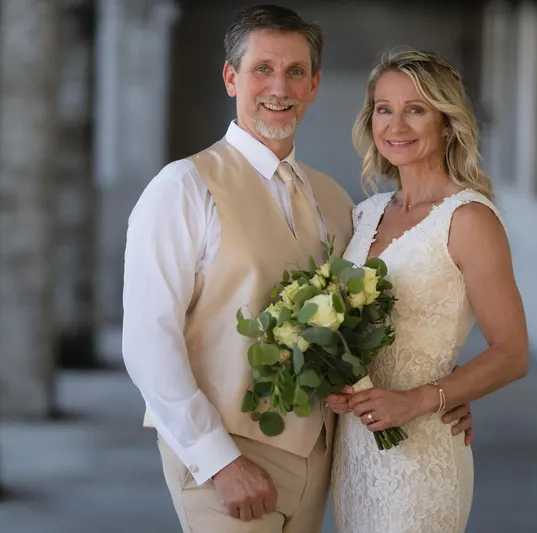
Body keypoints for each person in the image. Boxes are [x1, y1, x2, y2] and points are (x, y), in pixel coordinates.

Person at [122, 7, 474, 533]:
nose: (278, 87)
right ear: (230, 78)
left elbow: (362, 323)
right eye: (262, 68)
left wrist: (437, 396)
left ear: (314, 85)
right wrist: (218, 460)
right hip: (228, 460)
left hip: (323, 458)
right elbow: (148, 343)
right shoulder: (183, 188)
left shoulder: (333, 199)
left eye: (294, 72)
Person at [326, 49, 530, 533]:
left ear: (446, 121)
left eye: (416, 109)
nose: (396, 124)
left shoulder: (468, 219)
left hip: (421, 459)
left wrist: (423, 399)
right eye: (383, 108)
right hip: (354, 452)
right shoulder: (365, 213)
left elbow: (512, 353)